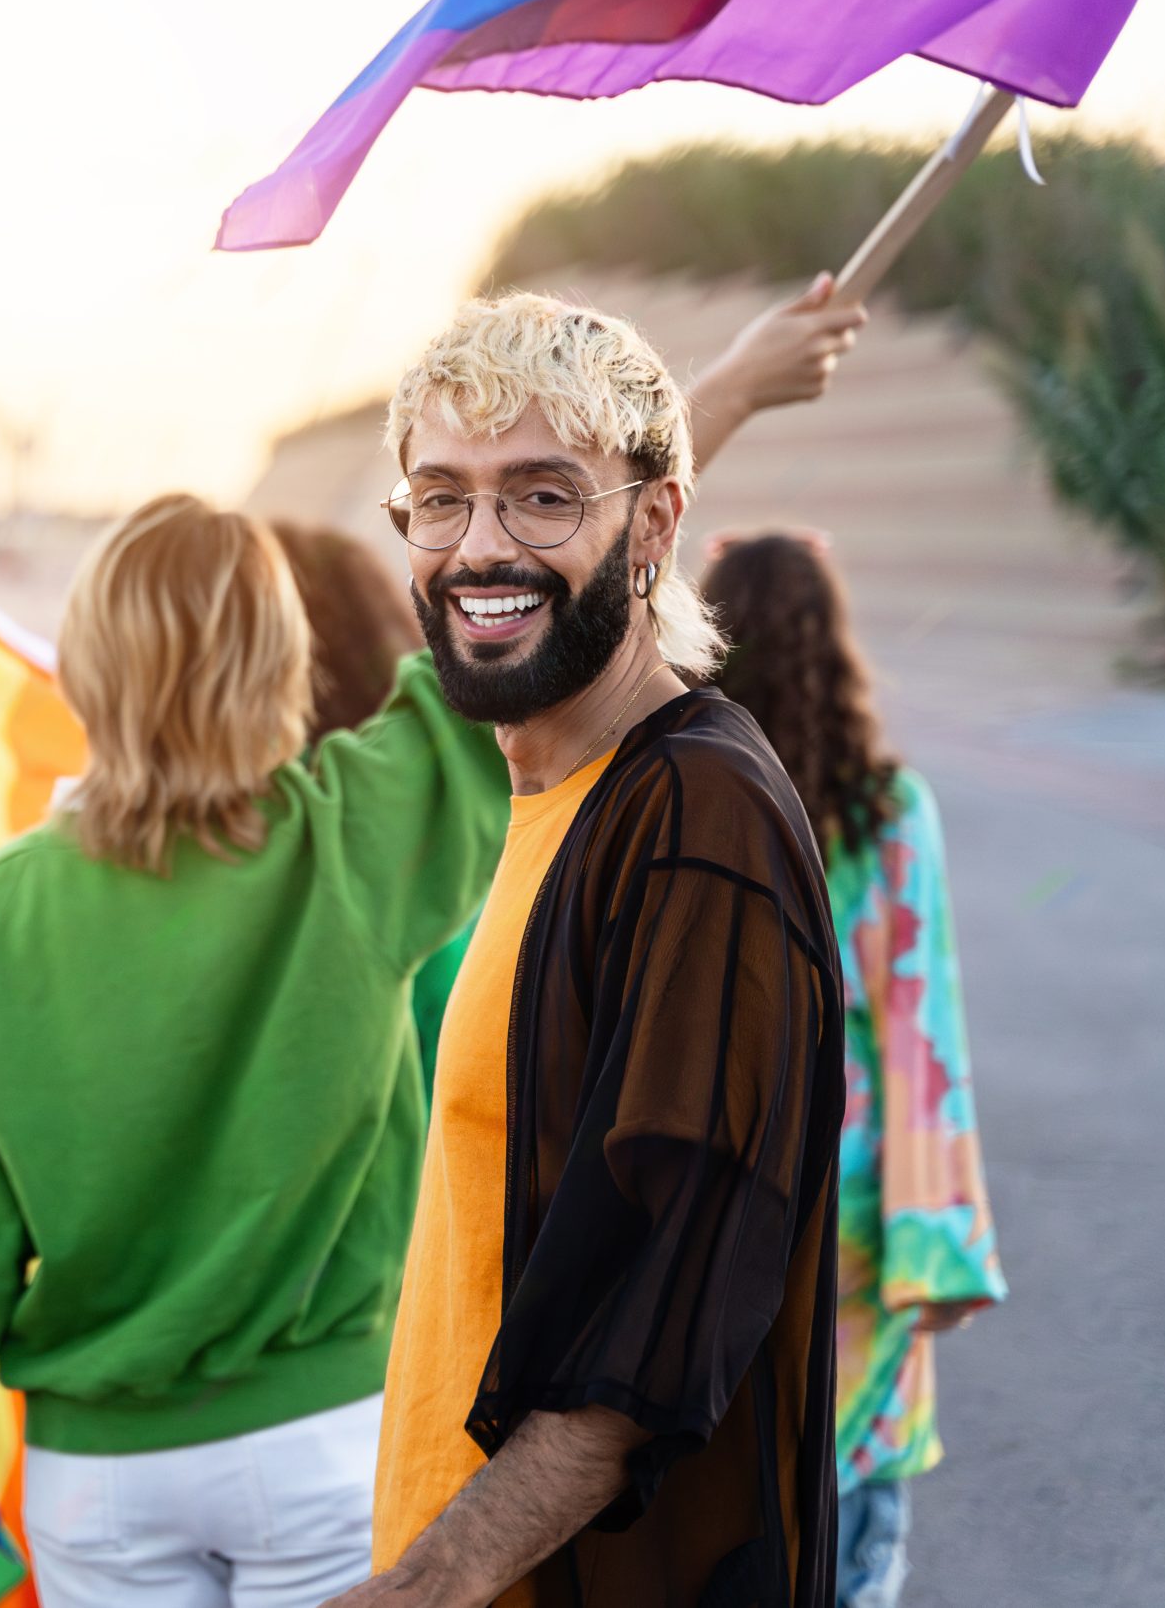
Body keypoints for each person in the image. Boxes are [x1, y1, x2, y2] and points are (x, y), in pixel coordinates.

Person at [0, 493, 510, 1607]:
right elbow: (493, 652)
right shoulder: (351, 840)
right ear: (279, 667)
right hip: (322, 1442)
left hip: (101, 1481)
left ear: (88, 668)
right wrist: (694, 424)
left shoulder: (2, 914)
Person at [352, 294, 845, 1608]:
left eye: (543, 498)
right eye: (441, 498)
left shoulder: (699, 820)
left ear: (656, 523)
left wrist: (428, 1580)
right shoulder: (554, 784)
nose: (481, 546)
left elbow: (662, 1293)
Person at [701, 533, 1006, 1608]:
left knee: (720, 1510)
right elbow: (924, 1038)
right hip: (856, 1220)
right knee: (852, 1538)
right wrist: (939, 1243)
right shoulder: (883, 815)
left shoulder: (687, 806)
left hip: (711, 1211)